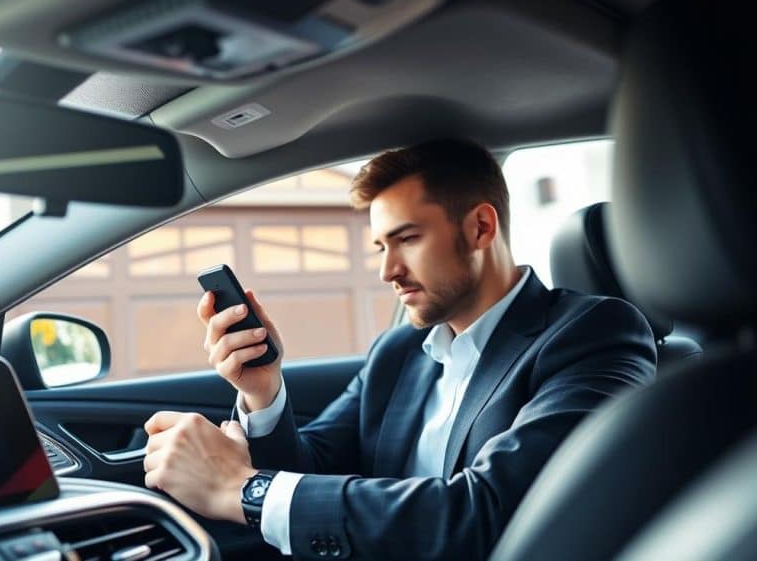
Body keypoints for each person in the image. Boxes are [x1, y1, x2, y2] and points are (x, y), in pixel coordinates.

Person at [142, 138, 656, 560]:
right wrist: (263, 390)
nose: (388, 270)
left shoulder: (595, 334)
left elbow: (491, 513)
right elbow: (313, 465)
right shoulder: (399, 351)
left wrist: (242, 491)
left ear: (480, 227)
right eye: (380, 247)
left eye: (407, 239)